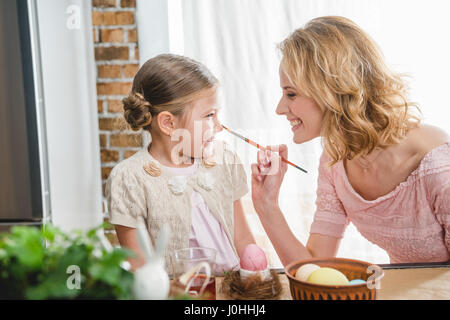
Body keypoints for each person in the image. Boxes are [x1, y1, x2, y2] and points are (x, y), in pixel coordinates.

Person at [251, 16, 450, 266]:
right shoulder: (335, 161)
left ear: (332, 88)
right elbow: (315, 268)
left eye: (291, 94)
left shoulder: (438, 166)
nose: (280, 109)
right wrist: (266, 204)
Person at [106, 54, 255, 273]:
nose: (219, 126)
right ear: (168, 123)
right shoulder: (129, 178)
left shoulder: (224, 158)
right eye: (209, 115)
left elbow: (243, 239)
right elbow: (141, 269)